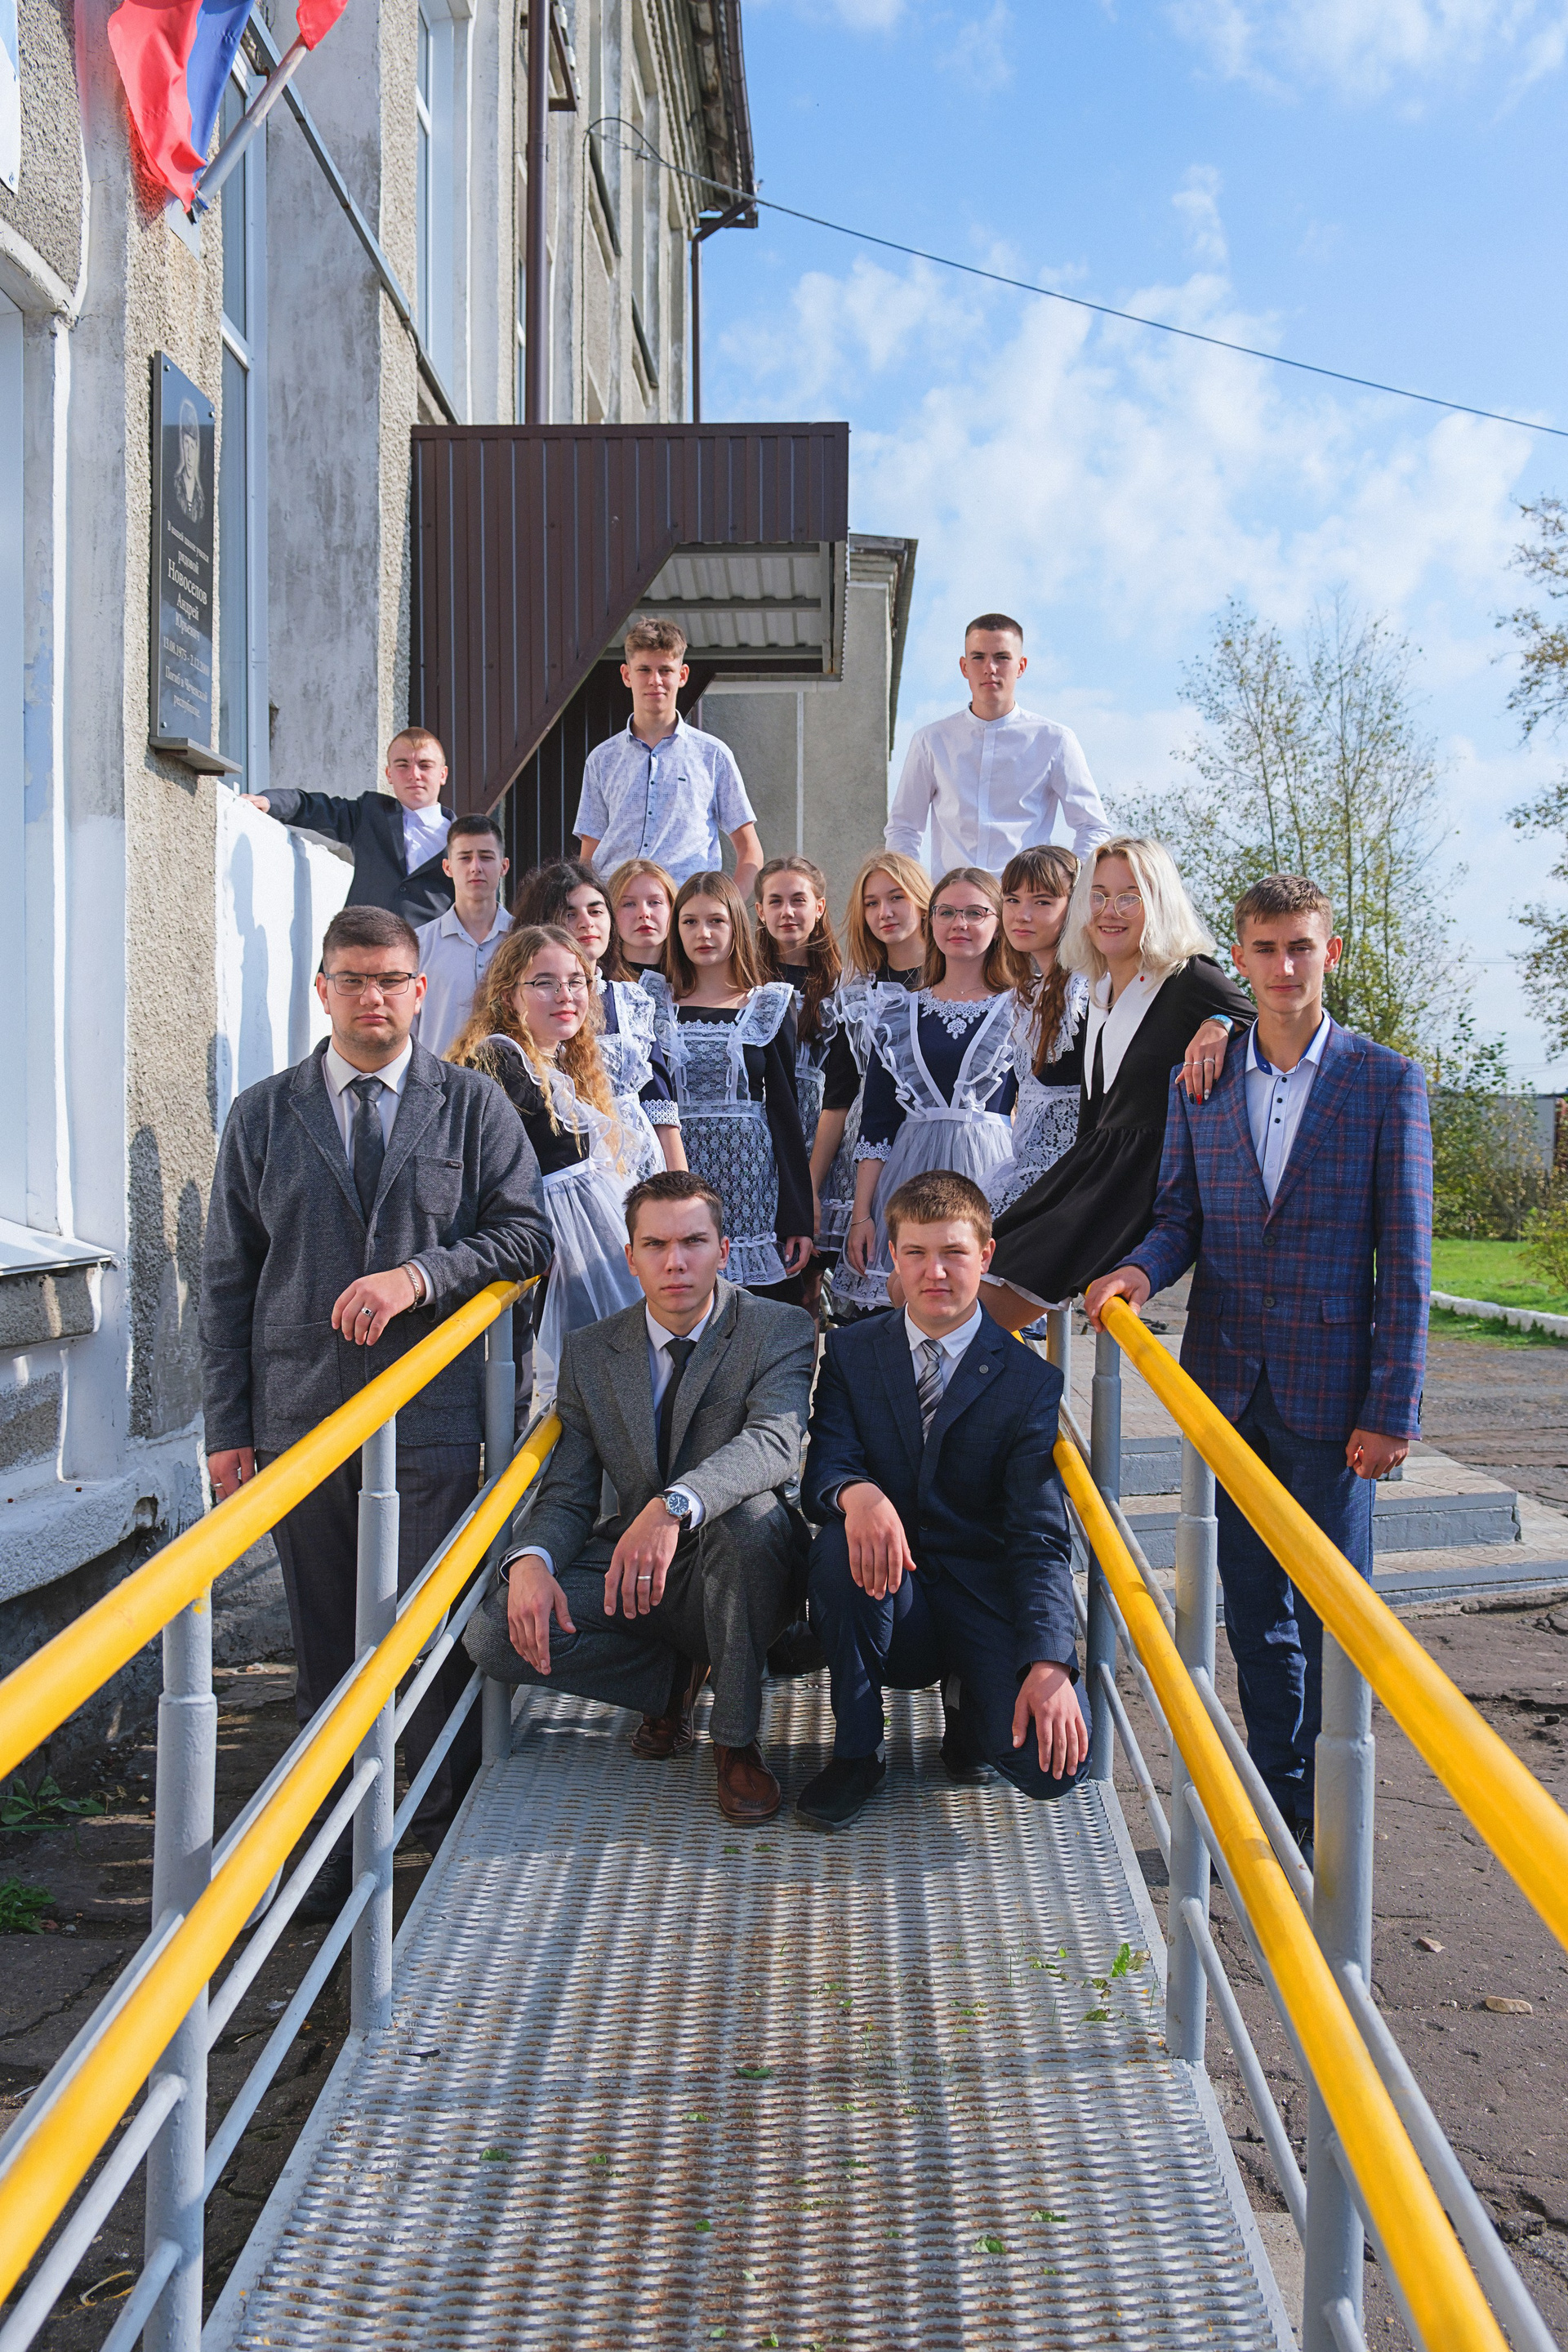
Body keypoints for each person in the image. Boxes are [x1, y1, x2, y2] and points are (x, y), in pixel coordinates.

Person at [199, 905, 552, 1906]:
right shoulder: (262, 1115)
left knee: (426, 1632)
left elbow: (528, 1238)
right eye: (352, 979)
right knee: (324, 1645)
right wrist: (228, 1431)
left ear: (419, 989)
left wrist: (421, 1276)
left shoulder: (472, 1106)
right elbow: (226, 1282)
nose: (373, 998)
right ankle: (325, 1849)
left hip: (434, 1417)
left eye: (391, 979)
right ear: (322, 990)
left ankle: (438, 1839)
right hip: (301, 1421)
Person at [1085, 875, 1432, 1849]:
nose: (1285, 967)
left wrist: (1393, 1406)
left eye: (1301, 947)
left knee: (1332, 1611)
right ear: (1238, 959)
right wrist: (1139, 1274)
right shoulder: (1200, 1077)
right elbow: (1179, 1220)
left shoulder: (1385, 1082)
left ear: (1331, 954)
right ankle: (1283, 1804)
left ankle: (1338, 1818)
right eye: (1267, 949)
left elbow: (1408, 1261)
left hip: (1336, 1393)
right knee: (1252, 1611)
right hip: (1228, 1386)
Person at [465, 1170, 817, 1823]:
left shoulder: (779, 1328)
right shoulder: (591, 1352)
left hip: (745, 1568)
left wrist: (675, 1504)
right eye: (655, 1245)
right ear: (630, 1257)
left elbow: (773, 1443)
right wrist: (533, 1561)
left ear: (723, 1251)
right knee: (494, 1635)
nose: (675, 1262)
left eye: (693, 1242)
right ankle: (672, 1680)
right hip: (638, 1574)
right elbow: (569, 1493)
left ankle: (735, 1740)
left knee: (752, 1520)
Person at [796, 1170, 1088, 1829]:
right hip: (889, 1588)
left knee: (1053, 1766)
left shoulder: (1030, 1382)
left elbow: (1040, 1535)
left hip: (981, 1591)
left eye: (954, 1253)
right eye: (917, 1253)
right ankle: (857, 1753)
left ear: (985, 1256)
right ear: (893, 1258)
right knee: (841, 1543)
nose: (935, 1272)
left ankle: (969, 1703)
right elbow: (825, 1465)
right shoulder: (851, 1352)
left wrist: (1050, 1661)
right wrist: (857, 1492)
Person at [982, 837, 1252, 1329]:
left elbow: (1264, 1023)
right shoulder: (1100, 988)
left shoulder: (1189, 977)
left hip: (1137, 1186)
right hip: (1090, 1171)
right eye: (1099, 895)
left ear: (1159, 902)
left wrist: (1220, 1022)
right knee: (963, 1271)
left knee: (981, 1308)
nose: (1110, 910)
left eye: (1130, 897)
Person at [448, 924, 644, 1410]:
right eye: (544, 983)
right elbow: (486, 1167)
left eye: (576, 981)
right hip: (552, 1245)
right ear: (509, 995)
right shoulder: (501, 1057)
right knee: (560, 1385)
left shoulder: (561, 1061)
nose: (565, 995)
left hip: (587, 1240)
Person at [835, 868, 1018, 1318]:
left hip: (990, 1177)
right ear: (930, 920)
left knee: (984, 1320)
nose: (960, 923)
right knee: (902, 1315)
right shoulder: (898, 1012)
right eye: (947, 912)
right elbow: (877, 1124)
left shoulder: (1024, 1008)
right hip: (907, 1177)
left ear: (998, 925)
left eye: (975, 913)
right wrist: (862, 1214)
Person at [645, 871, 815, 1304]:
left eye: (716, 921)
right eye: (689, 922)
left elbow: (785, 1112)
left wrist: (797, 1217)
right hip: (675, 1172)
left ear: (737, 925)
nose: (703, 934)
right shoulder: (651, 1002)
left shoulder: (769, 1004)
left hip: (752, 1184)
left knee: (756, 1310)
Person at [884, 613, 1110, 876]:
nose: (989, 668)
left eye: (1002, 657)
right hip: (951, 896)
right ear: (964, 667)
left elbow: (1093, 827)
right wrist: (914, 890)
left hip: (1026, 896)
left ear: (1021, 666)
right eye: (978, 657)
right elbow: (903, 829)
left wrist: (1067, 885)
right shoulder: (930, 741)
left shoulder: (1055, 741)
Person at [514, 858, 685, 1181]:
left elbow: (660, 1106)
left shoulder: (632, 999)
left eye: (596, 911)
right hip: (571, 1169)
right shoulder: (528, 1001)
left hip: (642, 1166)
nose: (586, 923)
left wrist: (682, 1185)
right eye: (570, 913)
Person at [574, 618, 764, 896]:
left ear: (682, 675)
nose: (655, 680)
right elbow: (588, 858)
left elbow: (750, 850)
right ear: (626, 675)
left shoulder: (713, 756)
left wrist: (727, 907)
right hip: (617, 908)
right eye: (644, 670)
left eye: (665, 670)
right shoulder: (601, 760)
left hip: (687, 908)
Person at [754, 855, 855, 1312]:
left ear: (819, 907)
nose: (787, 912)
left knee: (808, 1288)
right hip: (762, 1145)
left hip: (823, 1147)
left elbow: (841, 1091)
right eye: (775, 901)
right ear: (759, 911)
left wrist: (809, 1184)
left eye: (798, 900)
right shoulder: (743, 981)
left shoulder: (841, 988)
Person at [239, 728, 457, 925]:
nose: (414, 775)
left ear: (443, 774)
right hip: (358, 948)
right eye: (403, 765)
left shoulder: (463, 839)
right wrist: (270, 801)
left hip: (429, 953)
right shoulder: (369, 813)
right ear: (389, 774)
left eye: (425, 765)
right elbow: (312, 806)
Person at [985, 844, 1087, 1217]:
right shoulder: (1025, 995)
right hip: (1027, 1178)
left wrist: (1218, 1022)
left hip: (1072, 1190)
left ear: (1074, 907)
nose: (1022, 915)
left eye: (1042, 902)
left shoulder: (1089, 989)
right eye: (1012, 900)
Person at [412, 813, 513, 1059]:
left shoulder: (524, 940)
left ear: (503, 866)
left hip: (512, 1080)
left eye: (486, 857)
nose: (476, 867)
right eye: (465, 857)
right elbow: (406, 1029)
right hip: (439, 1080)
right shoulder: (418, 944)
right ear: (447, 867)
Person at [603, 856, 679, 984]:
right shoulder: (598, 981)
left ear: (672, 908)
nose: (644, 913)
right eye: (629, 904)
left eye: (655, 902)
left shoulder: (695, 978)